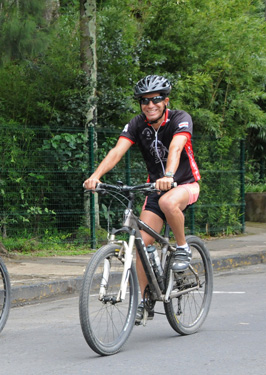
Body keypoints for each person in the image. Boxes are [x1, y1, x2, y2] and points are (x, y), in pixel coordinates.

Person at [82, 75, 201, 324]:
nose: (150, 104)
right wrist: (95, 176)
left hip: (184, 184)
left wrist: (168, 175)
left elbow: (177, 148)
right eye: (145, 101)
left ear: (165, 100)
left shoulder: (180, 119)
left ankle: (182, 248)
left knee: (169, 203)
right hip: (154, 189)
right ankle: (141, 300)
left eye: (156, 99)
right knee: (139, 244)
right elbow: (117, 150)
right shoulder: (137, 124)